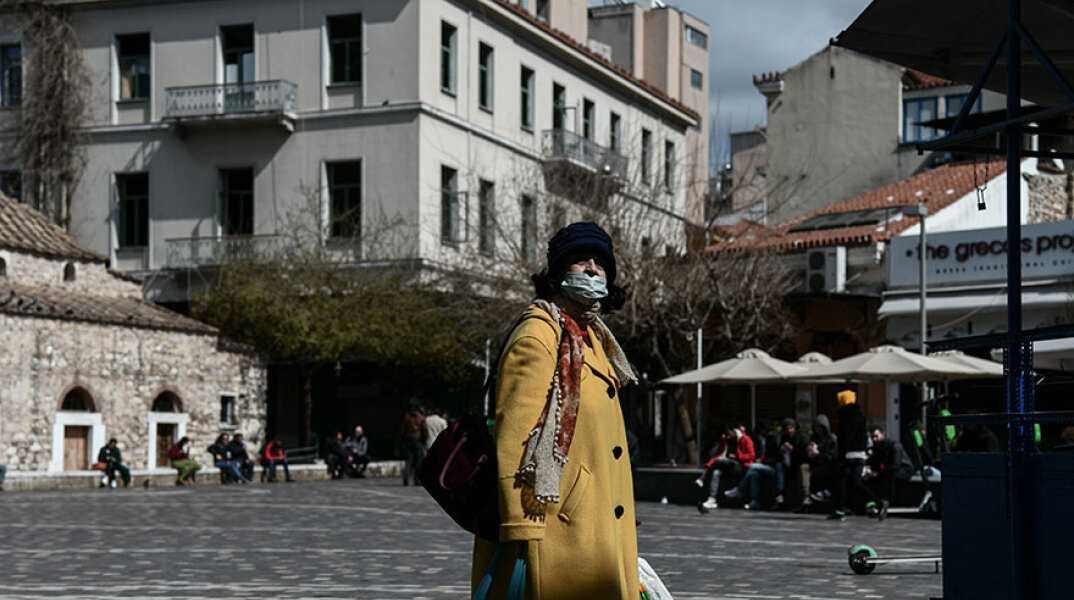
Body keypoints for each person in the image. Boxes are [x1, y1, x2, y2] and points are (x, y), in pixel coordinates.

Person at [471, 222, 640, 599]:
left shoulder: (593, 339)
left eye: (601, 263)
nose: (593, 269)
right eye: (581, 260)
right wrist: (521, 529)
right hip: (553, 528)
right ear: (559, 271)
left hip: (596, 523)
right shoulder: (538, 335)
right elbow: (515, 438)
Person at [829, 390, 886, 520]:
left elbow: (845, 437)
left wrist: (841, 455)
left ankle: (840, 509)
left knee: (841, 483)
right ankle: (878, 501)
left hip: (848, 454)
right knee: (856, 482)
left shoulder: (845, 415)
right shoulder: (862, 415)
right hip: (860, 454)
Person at [724, 420, 783, 510]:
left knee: (752, 467)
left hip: (774, 467)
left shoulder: (775, 439)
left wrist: (763, 461)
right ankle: (755, 501)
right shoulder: (768, 439)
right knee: (754, 474)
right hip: (768, 464)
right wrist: (761, 460)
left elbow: (776, 457)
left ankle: (739, 490)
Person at [697, 424, 756, 510]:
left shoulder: (745, 439)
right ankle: (712, 499)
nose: (728, 437)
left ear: (733, 431)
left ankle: (703, 477)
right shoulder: (725, 439)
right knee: (716, 472)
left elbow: (752, 455)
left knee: (720, 459)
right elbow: (718, 453)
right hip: (728, 465)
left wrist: (737, 456)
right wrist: (709, 464)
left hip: (740, 465)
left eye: (729, 434)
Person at [865, 426, 914, 505]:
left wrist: (878, 473)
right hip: (891, 468)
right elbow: (874, 462)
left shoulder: (894, 445)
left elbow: (895, 465)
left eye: (876, 436)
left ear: (882, 435)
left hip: (905, 468)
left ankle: (888, 501)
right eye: (872, 437)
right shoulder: (877, 447)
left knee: (889, 476)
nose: (874, 439)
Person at [803, 414, 838, 508]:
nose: (818, 430)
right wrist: (809, 451)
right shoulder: (813, 438)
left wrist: (818, 454)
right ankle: (806, 496)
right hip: (815, 464)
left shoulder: (831, 438)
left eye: (820, 427)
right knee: (803, 467)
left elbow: (831, 456)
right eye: (816, 427)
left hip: (828, 465)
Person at [401, 402, 427, 486]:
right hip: (417, 440)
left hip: (408, 439)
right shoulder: (421, 417)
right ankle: (417, 480)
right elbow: (424, 430)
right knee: (418, 461)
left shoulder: (406, 417)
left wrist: (403, 441)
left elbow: (403, 430)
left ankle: (406, 479)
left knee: (408, 460)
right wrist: (424, 441)